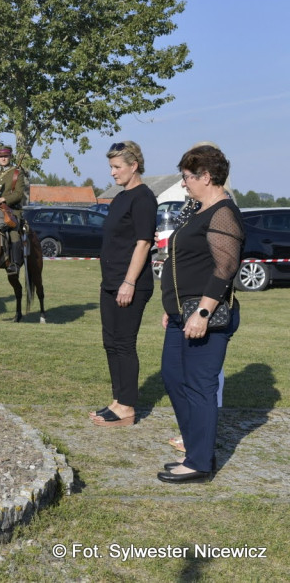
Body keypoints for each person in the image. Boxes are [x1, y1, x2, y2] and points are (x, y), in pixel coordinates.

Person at [157, 144, 243, 483]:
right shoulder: (197, 208)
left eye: (187, 177)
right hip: (181, 313)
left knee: (200, 386)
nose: (183, 183)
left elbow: (225, 267)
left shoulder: (222, 211)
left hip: (205, 317)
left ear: (206, 176)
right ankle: (196, 450)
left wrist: (202, 313)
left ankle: (200, 463)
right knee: (173, 377)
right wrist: (174, 308)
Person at [90, 141, 156, 428]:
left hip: (130, 283)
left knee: (125, 344)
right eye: (111, 167)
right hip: (111, 281)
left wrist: (129, 282)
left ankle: (127, 408)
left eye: (117, 167)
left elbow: (143, 243)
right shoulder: (119, 198)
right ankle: (118, 400)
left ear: (134, 166)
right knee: (111, 343)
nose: (113, 173)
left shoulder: (143, 198)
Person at [0, 145, 27, 274]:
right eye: (0, 156)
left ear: (10, 157)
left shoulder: (17, 173)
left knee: (13, 232)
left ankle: (15, 264)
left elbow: (18, 194)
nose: (3, 159)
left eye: (5, 156)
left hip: (11, 210)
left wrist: (3, 199)